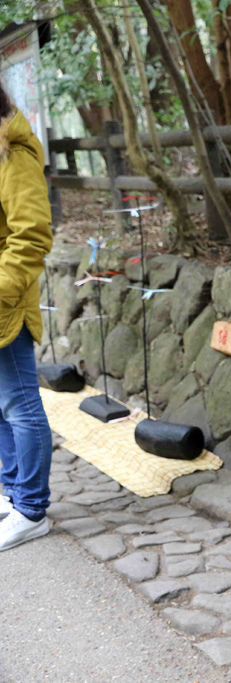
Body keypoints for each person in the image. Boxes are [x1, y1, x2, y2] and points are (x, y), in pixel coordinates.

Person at [0, 84, 54, 550]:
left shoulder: (14, 154)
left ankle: (32, 510)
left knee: (20, 404)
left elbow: (32, 235)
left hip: (5, 305)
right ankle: (12, 491)